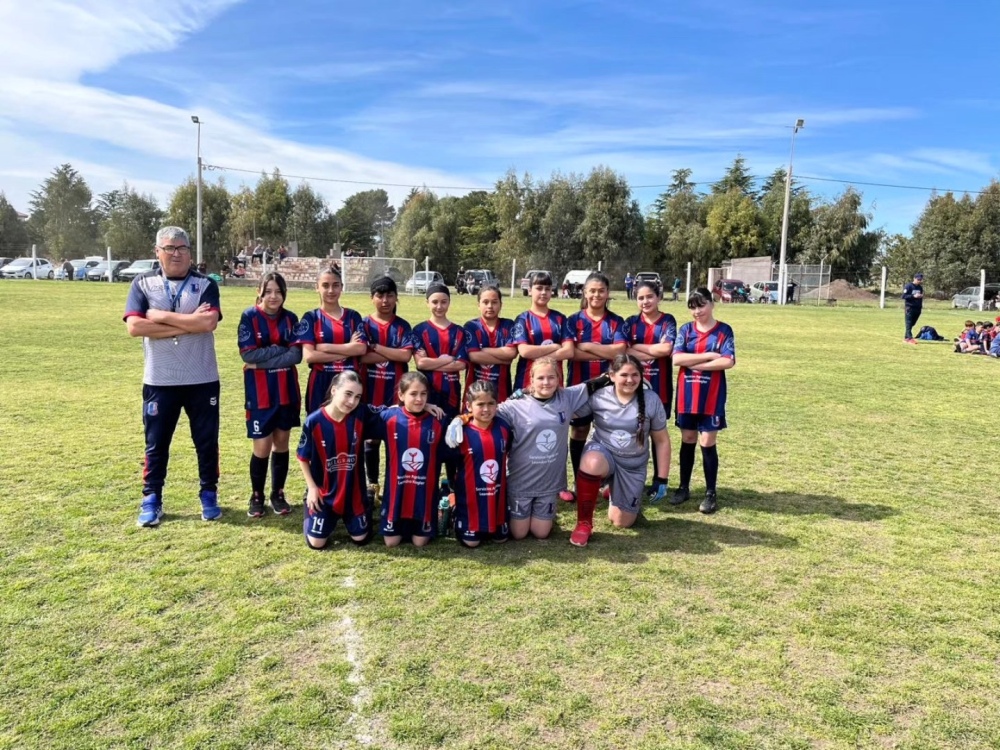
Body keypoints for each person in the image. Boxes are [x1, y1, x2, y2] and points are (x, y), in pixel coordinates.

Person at [124, 226, 222, 527]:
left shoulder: (205, 284)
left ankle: (208, 494)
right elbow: (135, 328)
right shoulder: (143, 283)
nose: (176, 253)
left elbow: (208, 322)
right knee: (156, 443)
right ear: (157, 252)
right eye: (169, 248)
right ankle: (151, 498)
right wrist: (187, 325)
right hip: (160, 380)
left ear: (190, 253)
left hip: (201, 377)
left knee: (206, 442)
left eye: (181, 247)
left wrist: (162, 317)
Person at [450, 356, 609, 541]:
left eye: (551, 377)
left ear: (559, 379)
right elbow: (485, 411)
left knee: (541, 533)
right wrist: (460, 419)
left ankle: (547, 514)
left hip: (549, 483)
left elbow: (590, 385)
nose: (546, 382)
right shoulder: (515, 405)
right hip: (521, 482)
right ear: (531, 380)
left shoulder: (566, 397)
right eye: (540, 378)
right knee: (519, 534)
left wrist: (609, 377)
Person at [568, 354, 671, 547]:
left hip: (632, 466)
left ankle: (613, 491)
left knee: (622, 522)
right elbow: (566, 405)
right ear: (612, 375)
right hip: (603, 455)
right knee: (592, 462)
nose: (630, 380)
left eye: (635, 375)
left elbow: (662, 440)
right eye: (624, 375)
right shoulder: (599, 396)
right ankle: (583, 523)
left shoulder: (651, 400)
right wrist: (593, 383)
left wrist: (661, 478)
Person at [238, 272, 302, 518]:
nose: (273, 296)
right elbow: (248, 356)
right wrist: (278, 351)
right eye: (268, 291)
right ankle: (256, 495)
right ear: (260, 292)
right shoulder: (250, 317)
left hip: (286, 391)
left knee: (282, 443)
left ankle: (278, 493)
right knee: (262, 446)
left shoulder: (291, 319)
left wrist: (266, 354)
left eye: (278, 291)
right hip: (260, 394)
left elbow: (296, 356)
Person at [670, 288, 736, 514]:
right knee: (687, 439)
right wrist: (708, 357)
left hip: (712, 396)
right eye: (692, 306)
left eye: (701, 305)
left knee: (707, 442)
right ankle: (683, 487)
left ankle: (710, 493)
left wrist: (696, 365)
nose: (697, 311)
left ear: (712, 303)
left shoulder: (724, 330)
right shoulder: (686, 330)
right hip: (687, 396)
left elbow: (728, 361)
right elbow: (677, 358)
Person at [297, 371, 376, 548]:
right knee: (317, 544)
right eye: (348, 394)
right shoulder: (314, 421)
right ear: (334, 390)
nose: (352, 402)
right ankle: (310, 506)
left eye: (357, 397)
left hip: (352, 493)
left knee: (361, 539)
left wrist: (422, 406)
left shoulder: (361, 413)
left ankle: (366, 501)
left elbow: (391, 413)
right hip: (325, 493)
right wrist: (311, 487)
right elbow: (302, 457)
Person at [373, 373, 448, 548]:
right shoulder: (388, 418)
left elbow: (463, 423)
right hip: (396, 492)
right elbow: (363, 412)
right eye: (413, 394)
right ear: (401, 395)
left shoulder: (438, 419)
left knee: (420, 542)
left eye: (423, 394)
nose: (419, 399)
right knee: (391, 542)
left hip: (423, 494)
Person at [566, 271, 627, 485]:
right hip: (580, 386)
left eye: (601, 291)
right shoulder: (573, 320)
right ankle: (577, 478)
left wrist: (589, 346)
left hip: (609, 387)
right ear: (584, 292)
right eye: (592, 290)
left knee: (609, 431)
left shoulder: (616, 321)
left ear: (608, 293)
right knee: (580, 429)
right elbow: (571, 352)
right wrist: (605, 350)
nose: (597, 295)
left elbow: (620, 352)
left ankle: (608, 479)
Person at [359, 276, 416, 489]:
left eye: (390, 295)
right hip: (369, 391)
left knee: (395, 439)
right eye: (380, 296)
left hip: (396, 393)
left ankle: (393, 485)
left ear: (396, 298)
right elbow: (362, 357)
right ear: (372, 298)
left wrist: (377, 348)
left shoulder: (403, 326)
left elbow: (405, 357)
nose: (385, 300)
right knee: (370, 439)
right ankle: (372, 484)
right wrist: (393, 353)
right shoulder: (363, 324)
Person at [623, 278, 676, 496]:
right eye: (640, 298)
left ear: (659, 297)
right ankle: (633, 478)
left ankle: (659, 480)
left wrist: (639, 348)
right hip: (633, 387)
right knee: (635, 431)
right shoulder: (631, 322)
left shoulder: (668, 321)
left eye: (649, 297)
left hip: (660, 385)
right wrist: (652, 349)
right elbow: (624, 351)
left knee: (657, 433)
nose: (645, 301)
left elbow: (666, 350)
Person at [413, 283, 468, 486]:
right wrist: (448, 359)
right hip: (429, 395)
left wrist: (434, 362)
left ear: (449, 303)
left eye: (443, 301)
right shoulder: (419, 330)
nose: (439, 306)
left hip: (452, 394)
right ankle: (428, 484)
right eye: (435, 302)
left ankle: (452, 486)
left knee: (453, 440)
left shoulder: (459, 332)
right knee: (429, 439)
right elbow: (420, 363)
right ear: (427, 303)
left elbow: (462, 364)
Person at [293, 265, 367, 416]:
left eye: (335, 285)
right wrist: (347, 350)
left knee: (349, 430)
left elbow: (360, 349)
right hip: (320, 380)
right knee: (319, 428)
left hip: (349, 380)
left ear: (342, 287)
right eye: (325, 286)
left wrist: (324, 347)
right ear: (317, 288)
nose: (331, 291)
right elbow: (310, 356)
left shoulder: (353, 317)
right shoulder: (311, 318)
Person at [450, 381, 512, 548]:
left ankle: (498, 519)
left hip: (496, 498)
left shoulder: (504, 428)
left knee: (501, 539)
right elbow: (450, 462)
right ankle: (455, 509)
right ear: (469, 406)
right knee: (471, 542)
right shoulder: (460, 432)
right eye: (480, 404)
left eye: (491, 403)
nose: (486, 409)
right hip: (470, 500)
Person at [510, 271, 574, 390]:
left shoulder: (560, 319)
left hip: (554, 385)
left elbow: (569, 351)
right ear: (529, 291)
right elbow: (524, 351)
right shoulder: (523, 319)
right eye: (539, 288)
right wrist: (554, 347)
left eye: (547, 289)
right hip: (526, 384)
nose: (543, 292)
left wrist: (537, 355)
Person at [464, 285, 516, 405]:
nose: (490, 306)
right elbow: (474, 356)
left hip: (502, 389)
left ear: (501, 304)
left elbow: (511, 353)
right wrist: (504, 360)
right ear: (478, 305)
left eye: (494, 302)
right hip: (475, 389)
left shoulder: (508, 325)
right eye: (485, 302)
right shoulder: (471, 326)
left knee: (500, 421)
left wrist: (482, 350)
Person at [902, 273, 924, 344]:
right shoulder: (908, 286)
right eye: (918, 279)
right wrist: (913, 296)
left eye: (920, 280)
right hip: (910, 307)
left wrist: (920, 296)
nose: (919, 281)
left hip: (917, 308)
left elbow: (920, 296)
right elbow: (904, 296)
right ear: (914, 278)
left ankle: (906, 337)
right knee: (908, 323)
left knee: (912, 323)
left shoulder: (920, 287)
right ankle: (910, 338)